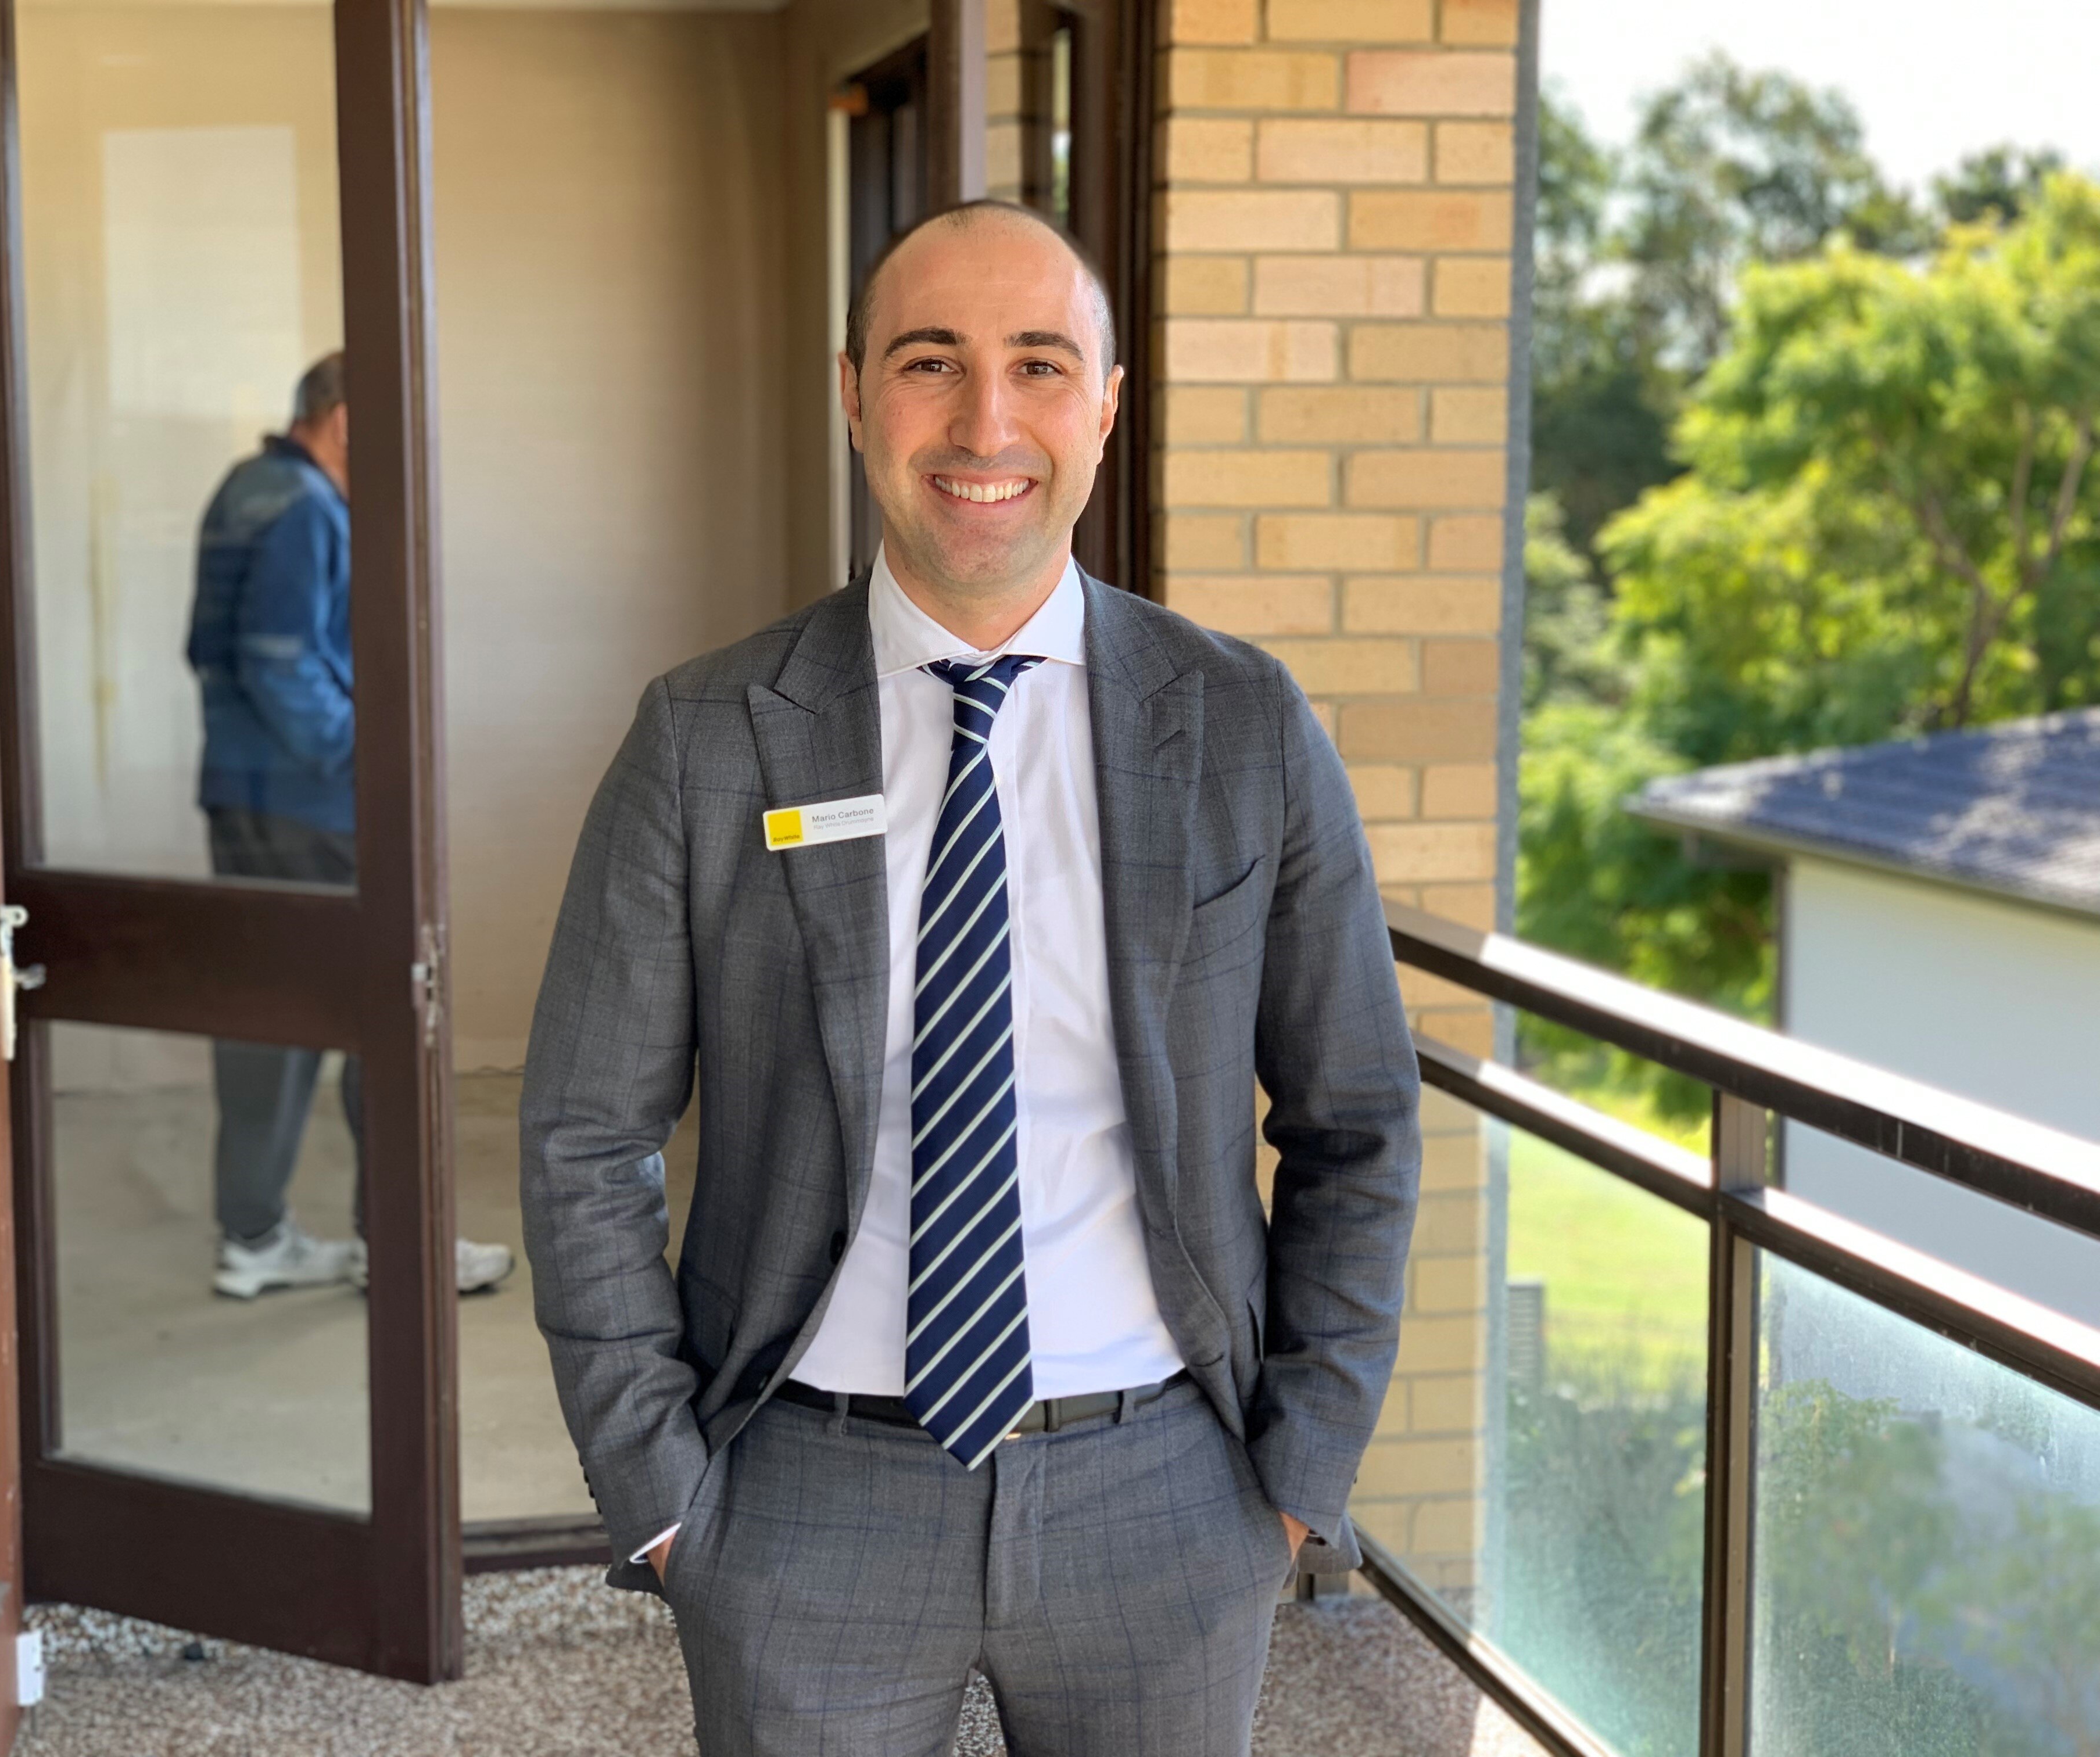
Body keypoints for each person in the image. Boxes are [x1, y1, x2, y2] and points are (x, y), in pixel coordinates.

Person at [521, 202, 1422, 1755]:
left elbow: (1359, 1122)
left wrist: (1294, 1483)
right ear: (856, 392)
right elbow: (583, 1134)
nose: (985, 421)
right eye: (932, 362)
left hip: (1166, 1501)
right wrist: (664, 1497)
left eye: (1039, 366)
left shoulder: (1247, 725)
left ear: (1108, 407)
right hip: (803, 1498)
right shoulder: (710, 734)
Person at [188, 352, 513, 1300]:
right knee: (394, 1005)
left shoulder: (244, 491)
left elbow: (211, 650)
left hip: (245, 792)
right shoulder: (305, 510)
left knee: (267, 1015)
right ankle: (402, 1243)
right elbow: (281, 664)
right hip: (319, 803)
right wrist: (373, 756)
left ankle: (253, 1232)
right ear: (343, 423)